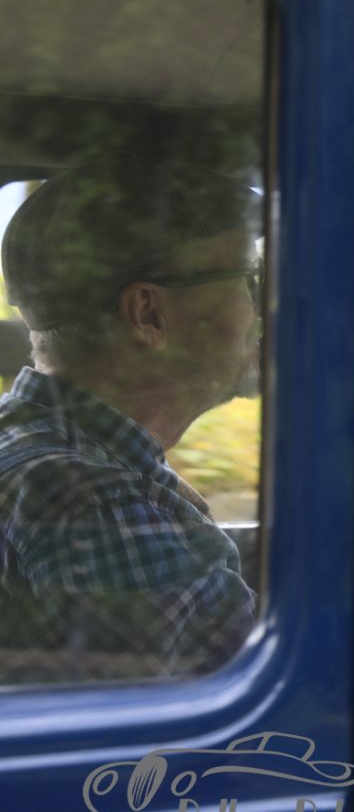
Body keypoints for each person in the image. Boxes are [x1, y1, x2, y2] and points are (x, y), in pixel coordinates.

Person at [0, 154, 262, 680]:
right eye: (249, 280)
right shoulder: (98, 501)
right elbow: (197, 722)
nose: (261, 308)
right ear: (148, 313)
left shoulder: (32, 443)